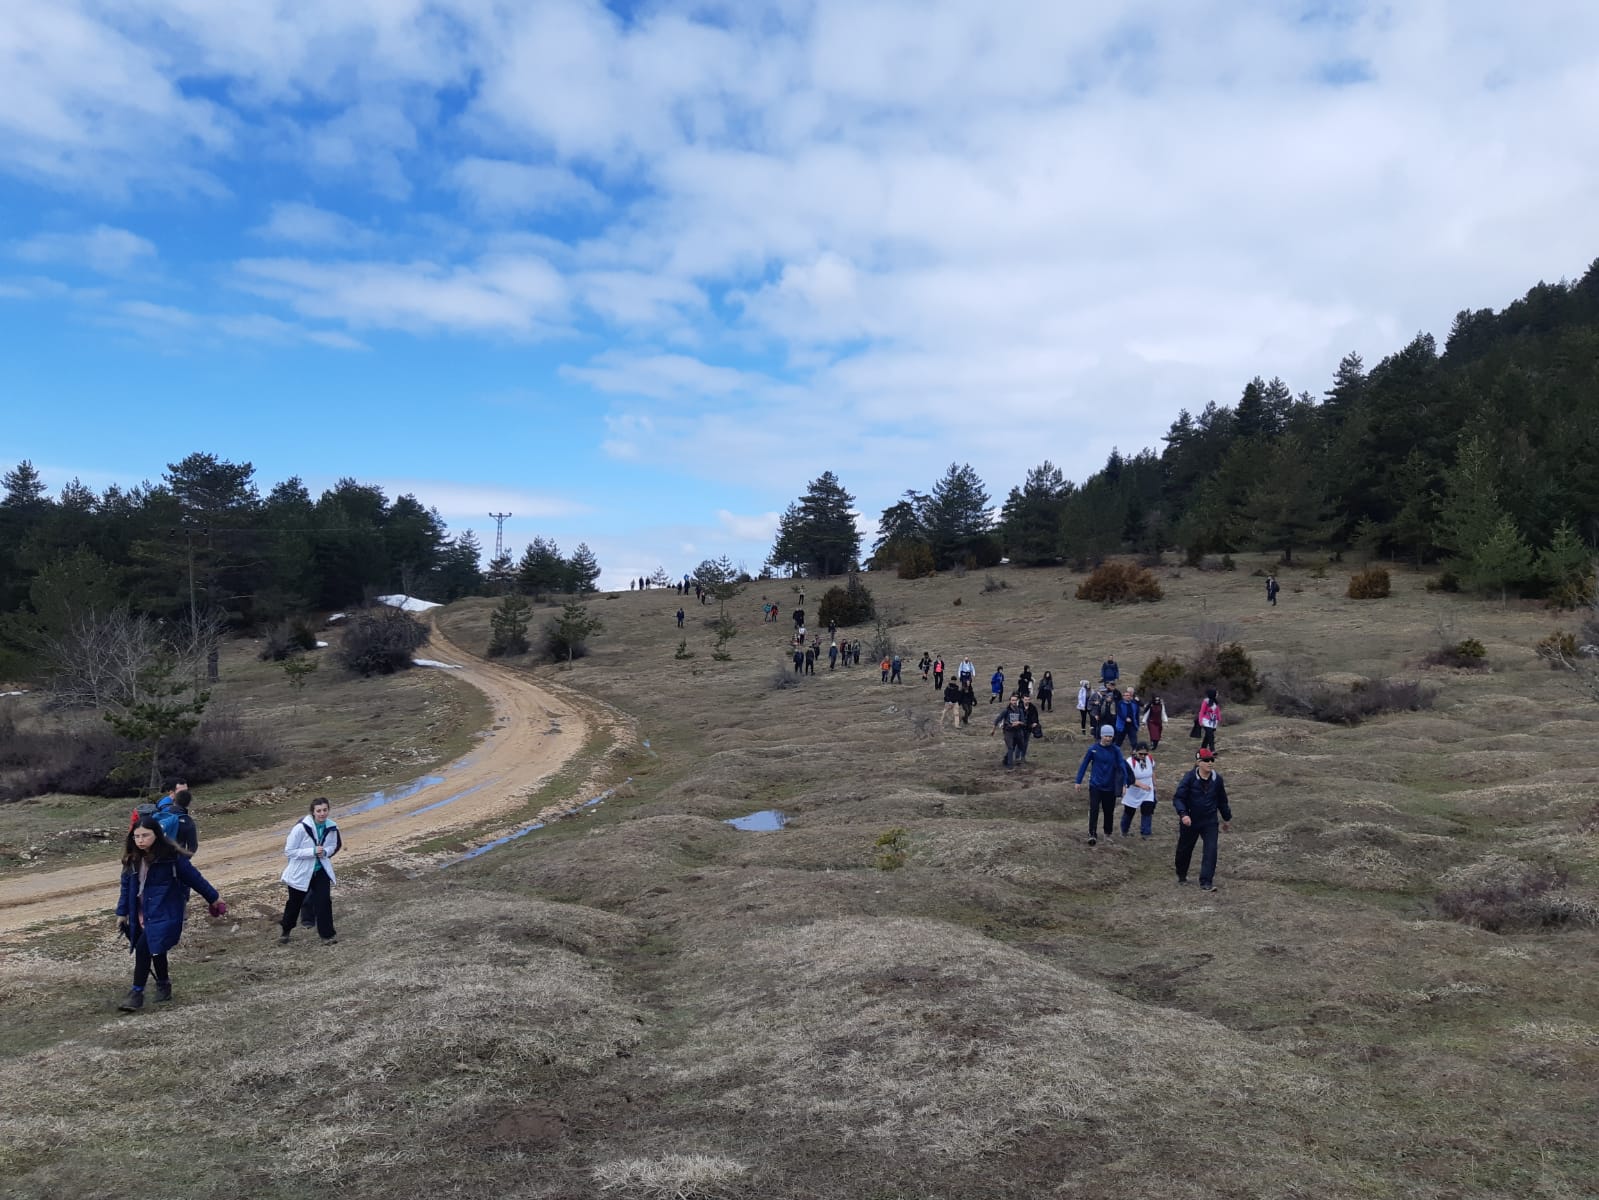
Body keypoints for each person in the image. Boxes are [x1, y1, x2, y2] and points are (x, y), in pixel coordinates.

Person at [115, 816, 225, 1011]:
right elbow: (126, 888)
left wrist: (214, 898)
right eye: (136, 836)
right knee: (156, 948)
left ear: (156, 835)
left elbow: (195, 879)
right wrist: (122, 913)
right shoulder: (132, 860)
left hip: (165, 911)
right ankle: (164, 985)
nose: (140, 840)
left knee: (144, 948)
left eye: (145, 836)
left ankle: (136, 993)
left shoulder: (171, 858)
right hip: (141, 913)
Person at [280, 798, 343, 943]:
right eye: (319, 811)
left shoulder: (332, 827)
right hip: (301, 872)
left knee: (324, 902)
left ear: (328, 810)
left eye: (325, 810)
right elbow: (289, 851)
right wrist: (312, 851)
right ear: (313, 812)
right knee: (294, 903)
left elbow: (334, 845)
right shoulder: (300, 828)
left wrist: (325, 852)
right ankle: (286, 930)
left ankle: (327, 936)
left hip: (320, 870)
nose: (322, 814)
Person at [1172, 748, 1232, 891]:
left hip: (1210, 821)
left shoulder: (1217, 779)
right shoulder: (1189, 778)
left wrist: (1227, 818)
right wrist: (1183, 814)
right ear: (1198, 762)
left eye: (1212, 760)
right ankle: (1181, 874)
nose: (1210, 763)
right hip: (1190, 820)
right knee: (1184, 850)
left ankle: (1206, 882)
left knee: (1211, 850)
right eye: (1206, 760)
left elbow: (1222, 801)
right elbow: (1178, 798)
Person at [1075, 726, 1129, 846]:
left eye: (1110, 736)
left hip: (1110, 787)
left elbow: (1122, 766)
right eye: (1106, 736)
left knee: (1108, 811)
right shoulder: (1093, 749)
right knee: (1094, 809)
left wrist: (1125, 783)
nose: (1108, 739)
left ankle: (1107, 833)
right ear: (1101, 736)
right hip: (1095, 785)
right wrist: (1078, 781)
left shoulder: (1116, 750)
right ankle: (1092, 834)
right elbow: (1084, 764)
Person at [1119, 747, 1157, 838]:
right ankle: (1124, 831)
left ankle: (1146, 833)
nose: (1143, 756)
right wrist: (1141, 785)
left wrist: (1155, 785)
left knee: (1147, 810)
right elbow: (1128, 778)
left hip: (1148, 790)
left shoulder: (1150, 759)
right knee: (1129, 811)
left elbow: (1152, 772)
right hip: (1133, 791)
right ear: (1135, 752)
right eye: (1141, 754)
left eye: (1145, 754)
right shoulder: (1129, 762)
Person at [991, 694, 1029, 768]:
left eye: (1015, 700)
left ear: (1017, 701)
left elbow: (1024, 722)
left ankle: (1006, 759)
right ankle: (1010, 765)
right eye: (1012, 700)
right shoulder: (1006, 711)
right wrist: (993, 730)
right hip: (1008, 731)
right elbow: (998, 720)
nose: (1014, 702)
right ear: (1010, 701)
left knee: (1018, 746)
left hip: (1018, 731)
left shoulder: (1020, 710)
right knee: (1010, 747)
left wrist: (1018, 722)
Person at [1115, 687, 1142, 752]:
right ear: (1123, 696)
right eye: (1126, 695)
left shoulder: (1134, 704)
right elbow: (1119, 713)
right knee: (1118, 742)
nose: (1128, 697)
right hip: (1122, 725)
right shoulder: (1120, 703)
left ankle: (1134, 753)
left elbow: (1136, 715)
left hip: (1132, 725)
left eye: (1129, 695)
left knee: (1134, 742)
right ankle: (1115, 752)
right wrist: (1125, 718)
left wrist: (1138, 725)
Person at [1197, 688, 1221, 754]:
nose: (1217, 694)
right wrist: (1200, 721)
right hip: (1206, 721)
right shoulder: (1206, 701)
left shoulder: (1215, 701)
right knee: (1211, 735)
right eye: (1216, 693)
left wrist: (1219, 718)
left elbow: (1217, 711)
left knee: (1207, 736)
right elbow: (1201, 711)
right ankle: (1212, 750)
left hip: (1213, 722)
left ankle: (1202, 749)